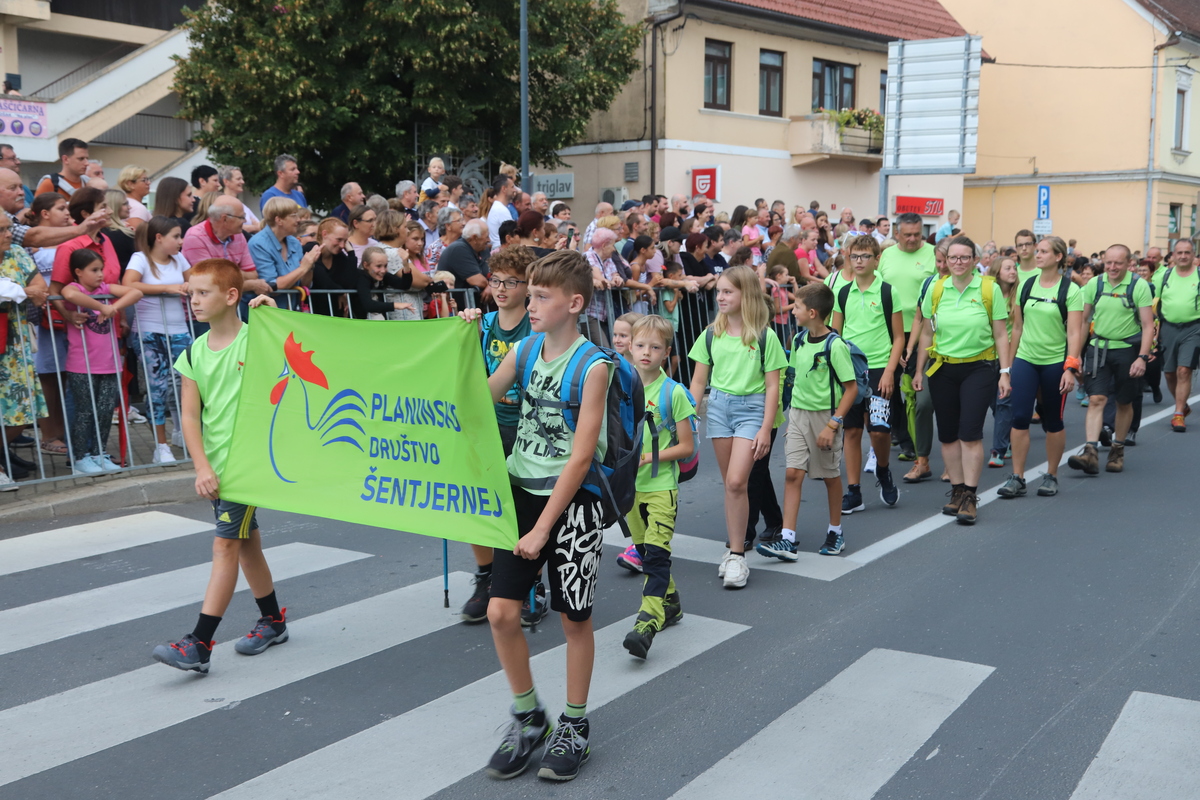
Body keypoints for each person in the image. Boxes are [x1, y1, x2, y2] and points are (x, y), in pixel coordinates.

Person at [457, 250, 609, 782]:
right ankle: (528, 716)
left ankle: (574, 724)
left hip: (573, 502)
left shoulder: (593, 366)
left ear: (575, 303)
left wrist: (544, 528)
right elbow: (475, 400)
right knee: (501, 613)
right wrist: (459, 343)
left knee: (574, 619)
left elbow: (582, 456)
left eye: (542, 296)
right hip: (520, 490)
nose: (532, 303)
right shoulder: (524, 350)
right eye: (532, 294)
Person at [151, 258, 283, 674]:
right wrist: (202, 467)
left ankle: (200, 643)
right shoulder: (193, 352)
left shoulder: (255, 339)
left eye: (203, 292)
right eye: (190, 293)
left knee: (225, 545)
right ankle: (273, 621)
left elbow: (295, 351)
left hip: (246, 466)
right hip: (218, 468)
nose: (194, 300)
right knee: (246, 544)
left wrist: (275, 318)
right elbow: (190, 417)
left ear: (231, 296)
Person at [688, 265, 786, 589]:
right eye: (719, 291)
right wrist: (689, 417)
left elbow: (773, 386)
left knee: (736, 481)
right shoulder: (710, 334)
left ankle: (738, 556)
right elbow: (698, 381)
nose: (720, 297)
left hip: (753, 409)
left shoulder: (765, 336)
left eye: (728, 291)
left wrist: (766, 428)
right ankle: (733, 551)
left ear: (746, 294)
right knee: (731, 487)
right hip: (718, 408)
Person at [458, 246, 537, 624]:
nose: (502, 288)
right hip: (486, 424)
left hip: (525, 427)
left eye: (511, 282)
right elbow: (463, 366)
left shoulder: (535, 327)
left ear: (528, 286)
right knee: (477, 502)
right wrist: (462, 331)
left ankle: (528, 582)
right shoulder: (483, 323)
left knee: (522, 508)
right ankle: (487, 575)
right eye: (496, 280)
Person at [913, 236, 1011, 525]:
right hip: (942, 368)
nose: (958, 262)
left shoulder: (989, 288)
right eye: (953, 257)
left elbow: (1001, 334)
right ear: (946, 260)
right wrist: (918, 371)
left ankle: (970, 495)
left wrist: (1005, 372)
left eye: (964, 257)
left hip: (978, 368)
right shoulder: (936, 288)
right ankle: (956, 490)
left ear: (974, 260)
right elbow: (927, 333)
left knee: (969, 433)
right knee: (947, 434)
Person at [758, 282, 857, 560]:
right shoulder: (799, 340)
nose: (792, 311)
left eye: (797, 307)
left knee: (830, 476)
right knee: (792, 473)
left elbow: (851, 389)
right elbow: (794, 380)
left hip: (826, 418)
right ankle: (787, 538)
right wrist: (792, 416)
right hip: (799, 416)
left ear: (812, 312)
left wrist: (833, 424)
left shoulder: (835, 346)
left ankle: (836, 532)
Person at [620, 314, 695, 658]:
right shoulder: (621, 387)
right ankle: (672, 602)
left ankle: (647, 621)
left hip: (662, 486)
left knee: (656, 555)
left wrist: (651, 457)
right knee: (646, 551)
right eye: (640, 345)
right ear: (630, 347)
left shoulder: (673, 392)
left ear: (666, 352)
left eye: (654, 347)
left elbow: (686, 446)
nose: (646, 352)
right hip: (630, 489)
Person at [998, 237, 1083, 499]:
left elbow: (1074, 333)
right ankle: (1017, 477)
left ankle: (1051, 475)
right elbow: (1017, 328)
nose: (1037, 255)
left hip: (1055, 362)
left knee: (1053, 420)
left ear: (1058, 257)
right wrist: (1007, 368)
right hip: (1025, 360)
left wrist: (1070, 368)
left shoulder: (1070, 290)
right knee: (1019, 418)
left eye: (1044, 251)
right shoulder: (1027, 285)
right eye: (1037, 251)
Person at [830, 235, 903, 514]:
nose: (859, 261)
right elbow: (835, 336)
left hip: (879, 369)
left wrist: (889, 371)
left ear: (877, 259)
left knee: (880, 430)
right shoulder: (842, 293)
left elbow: (899, 337)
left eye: (865, 256)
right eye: (854, 256)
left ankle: (883, 470)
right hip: (850, 370)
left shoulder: (888, 292)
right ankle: (854, 491)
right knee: (851, 430)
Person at [1067, 244, 1154, 476]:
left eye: (1118, 263)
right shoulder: (1094, 284)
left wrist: (1142, 357)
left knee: (1124, 402)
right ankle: (1090, 452)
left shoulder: (1139, 286)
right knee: (1096, 399)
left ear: (1128, 264)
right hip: (1098, 348)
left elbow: (1148, 325)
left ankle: (1117, 449)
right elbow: (1084, 321)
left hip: (1127, 350)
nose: (1112, 267)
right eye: (1108, 263)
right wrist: (1075, 356)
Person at [60, 248, 142, 474]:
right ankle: (79, 457)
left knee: (105, 411)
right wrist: (101, 306)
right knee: (85, 411)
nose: (100, 275)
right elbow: (69, 295)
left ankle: (99, 453)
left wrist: (113, 306)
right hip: (81, 364)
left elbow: (135, 292)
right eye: (94, 270)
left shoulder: (105, 289)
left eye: (101, 270)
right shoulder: (74, 288)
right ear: (78, 272)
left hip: (109, 363)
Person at [123, 216, 194, 463]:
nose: (180, 241)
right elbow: (128, 284)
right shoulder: (140, 258)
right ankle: (161, 446)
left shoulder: (179, 259)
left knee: (189, 384)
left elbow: (194, 280)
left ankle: (186, 433)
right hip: (149, 332)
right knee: (157, 388)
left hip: (180, 331)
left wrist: (190, 285)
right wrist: (167, 288)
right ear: (159, 238)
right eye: (176, 236)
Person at [878, 212, 936, 467]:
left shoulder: (933, 254)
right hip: (888, 331)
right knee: (887, 387)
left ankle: (917, 442)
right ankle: (904, 437)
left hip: (922, 331)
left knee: (916, 390)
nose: (912, 239)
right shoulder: (887, 255)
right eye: (907, 235)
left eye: (917, 234)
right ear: (896, 233)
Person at [0, 212, 49, 487]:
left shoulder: (17, 253)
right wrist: (23, 291)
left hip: (15, 347)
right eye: (2, 230)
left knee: (21, 411)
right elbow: (30, 292)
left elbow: (40, 288)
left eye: (9, 228)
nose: (9, 234)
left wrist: (17, 291)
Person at [248, 197, 321, 310]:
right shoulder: (258, 244)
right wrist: (303, 268)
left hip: (292, 310)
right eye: (294, 215)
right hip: (267, 311)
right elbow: (271, 286)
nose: (298, 220)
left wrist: (310, 265)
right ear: (279, 220)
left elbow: (304, 284)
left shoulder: (294, 242)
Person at [1158, 239, 1200, 432]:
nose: (1183, 256)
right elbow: (1154, 304)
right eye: (1179, 252)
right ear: (1173, 255)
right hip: (1168, 328)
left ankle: (1178, 414)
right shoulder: (1164, 276)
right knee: (1169, 372)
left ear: (1193, 255)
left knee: (1184, 370)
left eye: (1187, 252)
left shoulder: (1198, 275)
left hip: (1194, 328)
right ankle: (1182, 405)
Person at [985, 255, 1019, 468]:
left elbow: (1018, 330)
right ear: (997, 272)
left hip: (1009, 356)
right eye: (1008, 268)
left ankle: (998, 449)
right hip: (988, 356)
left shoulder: (1019, 296)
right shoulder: (989, 294)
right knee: (995, 404)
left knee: (1003, 401)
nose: (1013, 271)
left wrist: (1011, 359)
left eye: (1014, 268)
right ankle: (1007, 437)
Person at [354, 246, 417, 319]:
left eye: (385, 266)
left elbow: (405, 285)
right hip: (359, 321)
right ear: (366, 265)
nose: (383, 270)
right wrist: (395, 305)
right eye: (378, 266)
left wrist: (406, 265)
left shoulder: (383, 275)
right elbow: (368, 305)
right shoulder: (361, 277)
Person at [438, 217, 490, 296]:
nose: (489, 240)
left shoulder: (483, 248)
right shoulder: (458, 249)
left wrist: (492, 284)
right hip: (456, 302)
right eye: (487, 237)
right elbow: (478, 281)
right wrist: (492, 286)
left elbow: (495, 273)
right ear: (475, 238)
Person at [102, 189, 137, 272]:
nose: (130, 207)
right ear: (114, 206)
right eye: (125, 204)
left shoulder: (100, 231)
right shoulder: (123, 235)